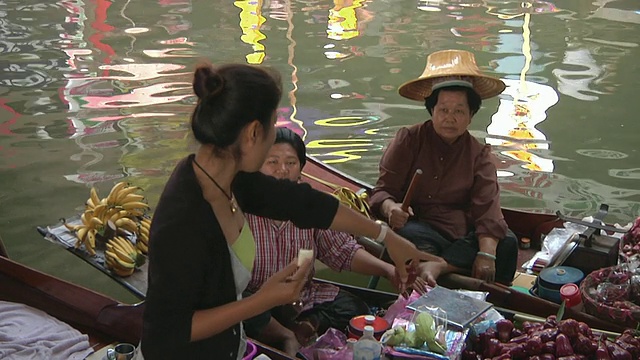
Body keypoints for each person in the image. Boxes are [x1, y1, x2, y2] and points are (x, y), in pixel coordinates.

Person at [141, 62, 440, 359]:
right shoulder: (182, 217)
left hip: (233, 348)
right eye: (273, 124)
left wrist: (387, 237)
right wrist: (264, 300)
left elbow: (305, 204)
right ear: (253, 132)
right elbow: (170, 330)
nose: (275, 136)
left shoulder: (232, 180)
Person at [243, 127, 421, 356]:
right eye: (272, 162)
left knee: (357, 310)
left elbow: (342, 250)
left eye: (290, 163)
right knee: (240, 309)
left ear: (300, 171)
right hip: (256, 302)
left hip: (299, 299)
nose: (282, 171)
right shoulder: (242, 209)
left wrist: (388, 270)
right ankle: (285, 334)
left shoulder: (310, 207)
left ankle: (306, 326)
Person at [369, 49, 519, 286]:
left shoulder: (478, 154)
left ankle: (441, 265)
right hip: (421, 228)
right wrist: (391, 209)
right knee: (408, 240)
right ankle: (446, 265)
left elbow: (488, 210)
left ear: (471, 116)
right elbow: (381, 191)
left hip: (462, 236)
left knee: (507, 243)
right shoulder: (409, 139)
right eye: (444, 110)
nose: (450, 118)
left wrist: (486, 254)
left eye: (459, 111)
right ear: (432, 111)